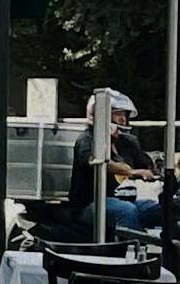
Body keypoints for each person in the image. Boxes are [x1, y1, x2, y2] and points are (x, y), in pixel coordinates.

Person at [67, 89, 161, 231]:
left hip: (123, 199)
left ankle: (167, 249)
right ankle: (130, 249)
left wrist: (155, 169)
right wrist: (132, 172)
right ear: (100, 115)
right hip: (88, 204)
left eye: (125, 114)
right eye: (117, 114)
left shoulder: (127, 142)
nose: (123, 119)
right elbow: (97, 162)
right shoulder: (87, 140)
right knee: (126, 211)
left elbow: (146, 164)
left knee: (157, 209)